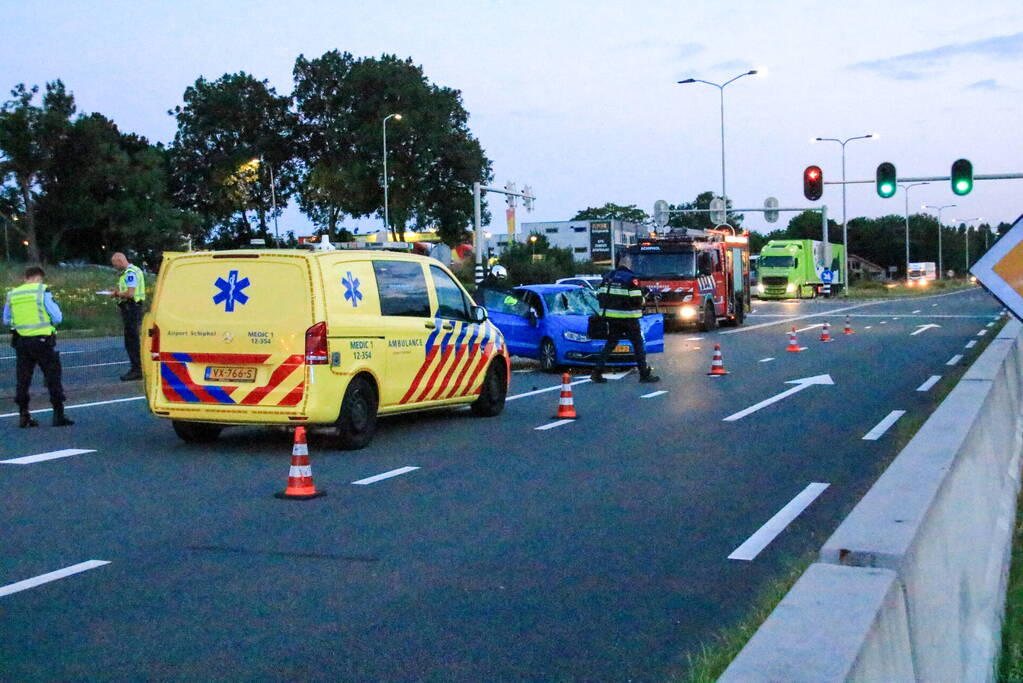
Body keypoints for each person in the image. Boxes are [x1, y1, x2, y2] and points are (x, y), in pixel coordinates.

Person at [3, 266, 74, 427]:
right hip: (42, 341)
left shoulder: (13, 294)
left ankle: (23, 414)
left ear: (26, 277)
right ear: (38, 278)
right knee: (52, 376)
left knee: (23, 379)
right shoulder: (42, 291)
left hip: (21, 341)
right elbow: (57, 317)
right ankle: (58, 414)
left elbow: (6, 320)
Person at [591, 264, 660, 384]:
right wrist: (645, 296)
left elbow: (599, 295)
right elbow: (637, 300)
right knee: (638, 344)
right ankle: (644, 374)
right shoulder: (631, 278)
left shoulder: (608, 277)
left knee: (610, 344)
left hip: (611, 317)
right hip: (629, 318)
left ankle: (597, 372)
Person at [109, 252, 146, 381]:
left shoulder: (130, 273)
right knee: (132, 338)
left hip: (131, 307)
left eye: (115, 264)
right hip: (132, 307)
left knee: (132, 340)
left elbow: (130, 293)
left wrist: (117, 293)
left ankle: (137, 369)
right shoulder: (133, 271)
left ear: (120, 261)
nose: (115, 267)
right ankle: (138, 367)